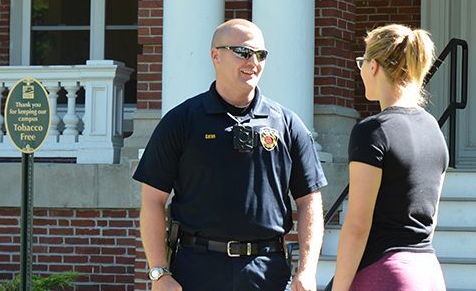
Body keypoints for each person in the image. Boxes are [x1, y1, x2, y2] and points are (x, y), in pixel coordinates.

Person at [134, 18, 326, 291]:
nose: (254, 62)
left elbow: (310, 201)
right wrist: (159, 272)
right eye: (243, 52)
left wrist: (307, 270)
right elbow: (152, 200)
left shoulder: (286, 124)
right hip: (196, 270)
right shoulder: (182, 121)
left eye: (261, 55)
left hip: (267, 271)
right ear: (216, 56)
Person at [331, 24, 448, 291]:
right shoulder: (433, 129)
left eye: (362, 61)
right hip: (428, 272)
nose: (360, 70)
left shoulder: (372, 131)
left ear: (373, 66)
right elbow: (430, 218)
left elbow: (357, 225)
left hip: (386, 274)